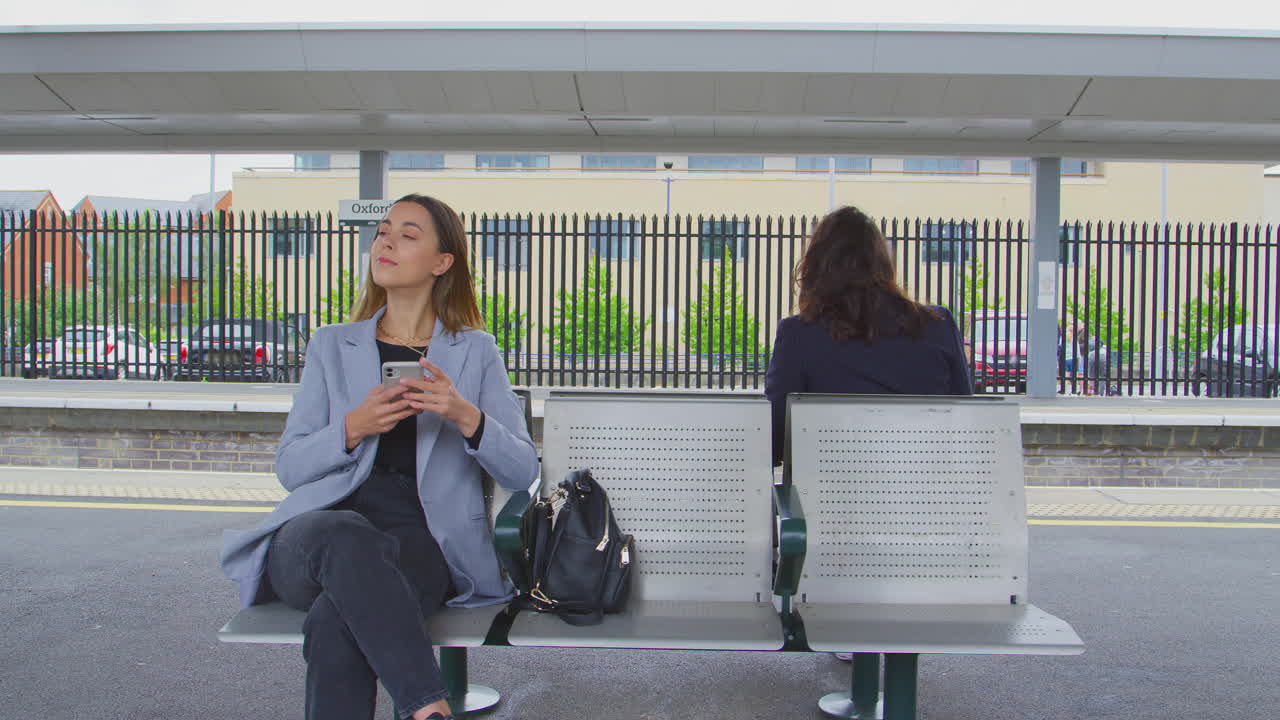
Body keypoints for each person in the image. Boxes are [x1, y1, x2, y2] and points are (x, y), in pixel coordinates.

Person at [220, 194, 538, 720]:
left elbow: (522, 470)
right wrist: (353, 428)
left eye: (408, 235)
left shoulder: (476, 351)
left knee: (335, 622)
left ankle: (423, 707)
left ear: (442, 262)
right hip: (320, 532)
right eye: (383, 231)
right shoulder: (330, 345)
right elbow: (290, 469)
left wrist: (464, 415)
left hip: (419, 541)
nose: (386, 241)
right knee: (347, 534)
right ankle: (427, 705)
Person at [765, 205, 974, 466]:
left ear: (815, 268)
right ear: (884, 263)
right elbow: (966, 419)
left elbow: (773, 439)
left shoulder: (799, 335)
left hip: (831, 486)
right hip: (924, 484)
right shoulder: (938, 324)